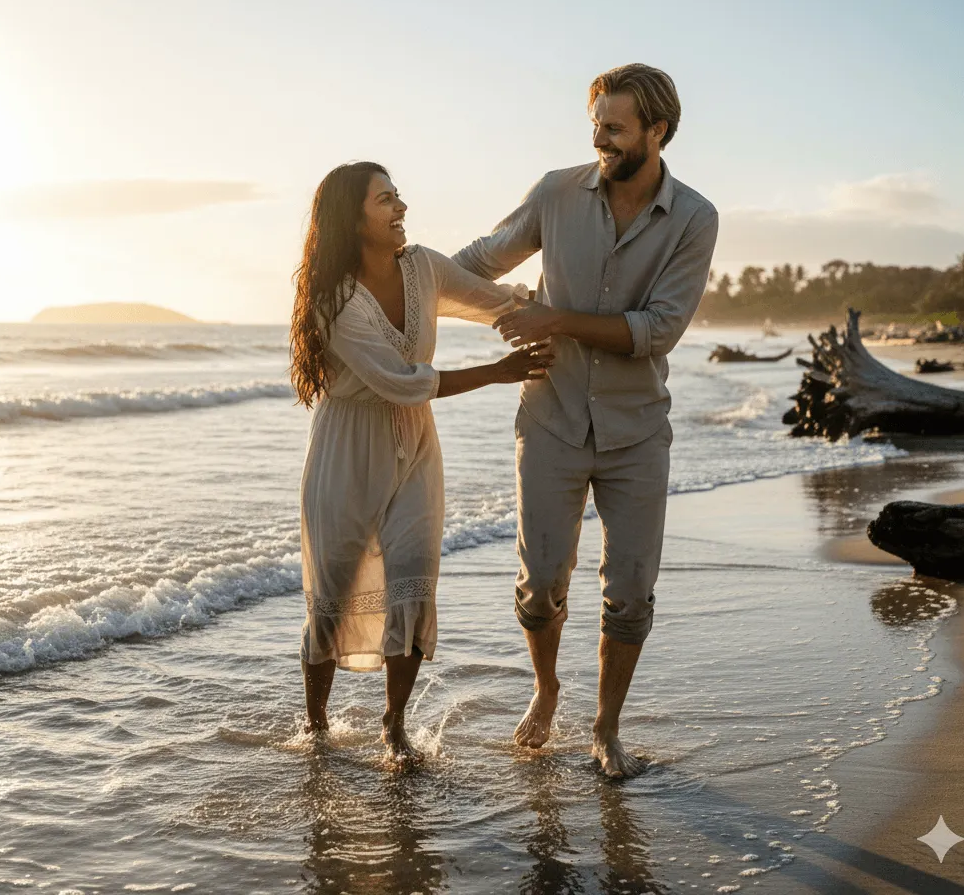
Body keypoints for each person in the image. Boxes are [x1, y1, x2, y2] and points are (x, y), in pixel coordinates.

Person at [452, 64, 718, 777]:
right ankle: (545, 692)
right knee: (540, 583)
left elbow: (657, 329)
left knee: (629, 593)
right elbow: (481, 259)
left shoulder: (695, 218)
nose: (600, 139)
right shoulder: (555, 192)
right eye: (595, 123)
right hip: (550, 418)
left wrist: (554, 318)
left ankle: (605, 728)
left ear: (657, 131)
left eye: (615, 127)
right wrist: (400, 294)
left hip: (637, 432)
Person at [290, 161, 552, 761]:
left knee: (413, 581)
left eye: (398, 195)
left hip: (415, 448)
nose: (400, 207)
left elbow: (492, 302)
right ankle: (317, 727)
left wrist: (551, 315)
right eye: (385, 200)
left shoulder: (424, 267)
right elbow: (401, 382)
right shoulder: (334, 301)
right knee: (331, 591)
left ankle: (393, 725)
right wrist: (498, 373)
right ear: (352, 220)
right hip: (346, 449)